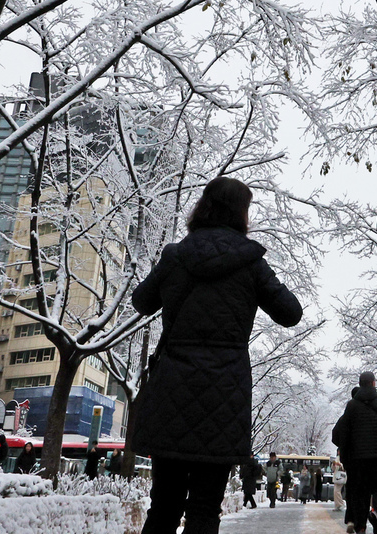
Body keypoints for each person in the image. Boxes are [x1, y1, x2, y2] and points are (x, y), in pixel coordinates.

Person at [129, 178, 302, 533]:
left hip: (172, 391)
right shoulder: (251, 261)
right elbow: (291, 312)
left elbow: (141, 301)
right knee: (205, 510)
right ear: (240, 212)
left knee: (163, 506)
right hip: (224, 395)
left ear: (203, 207)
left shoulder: (175, 256)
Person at [334, 372, 377, 534]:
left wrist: (345, 457)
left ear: (360, 384)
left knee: (360, 491)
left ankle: (360, 526)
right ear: (374, 383)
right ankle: (376, 512)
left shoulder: (351, 406)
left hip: (357, 458)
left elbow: (344, 433)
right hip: (376, 455)